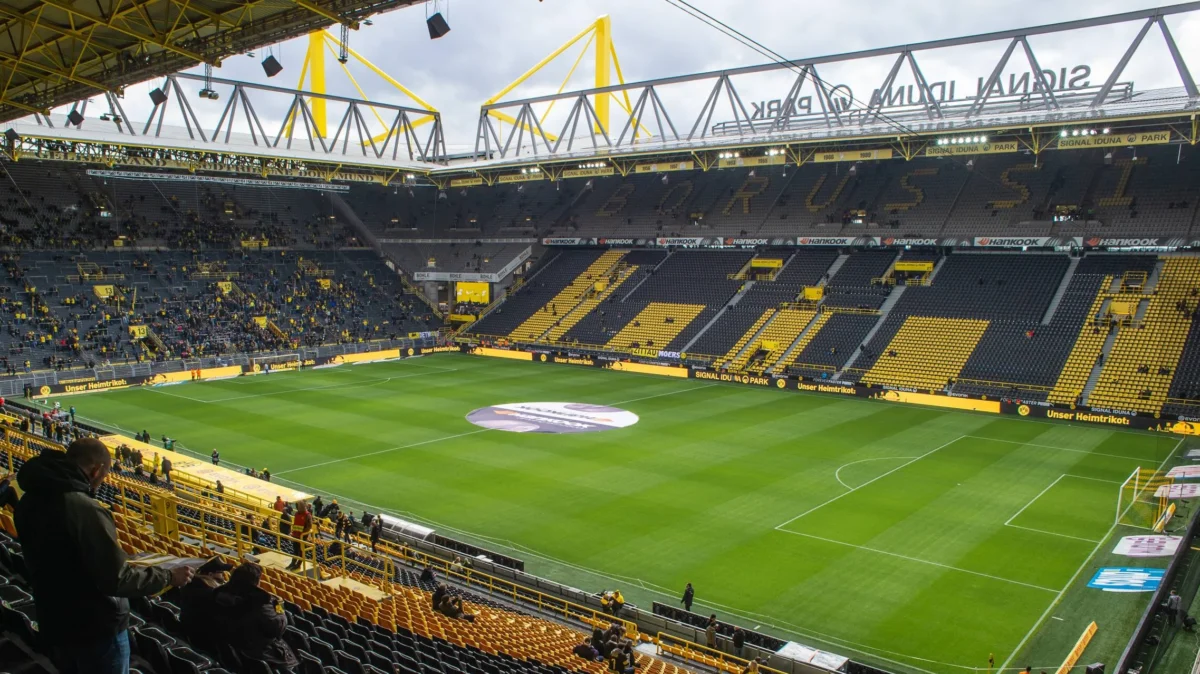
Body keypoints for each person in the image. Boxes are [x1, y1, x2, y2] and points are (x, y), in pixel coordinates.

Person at [14, 437, 194, 673]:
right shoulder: (84, 509)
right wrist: (169, 577)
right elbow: (116, 579)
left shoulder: (29, 499)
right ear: (96, 470)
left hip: (53, 619)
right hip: (94, 628)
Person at [209, 563, 298, 669]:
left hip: (239, 651)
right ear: (255, 581)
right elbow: (277, 628)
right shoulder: (260, 604)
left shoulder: (219, 595)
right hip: (265, 655)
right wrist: (280, 610)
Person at [179, 558, 233, 652]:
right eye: (221, 572)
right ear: (210, 574)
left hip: (190, 632)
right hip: (205, 641)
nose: (223, 576)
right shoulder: (210, 594)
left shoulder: (189, 585)